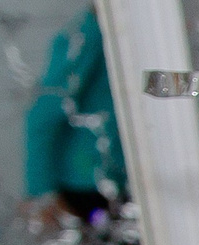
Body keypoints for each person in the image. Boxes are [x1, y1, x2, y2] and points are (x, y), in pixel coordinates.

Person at [22, 6, 125, 229]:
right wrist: (41, 191)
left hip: (113, 179)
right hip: (87, 186)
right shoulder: (85, 36)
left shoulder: (121, 31)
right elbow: (42, 115)